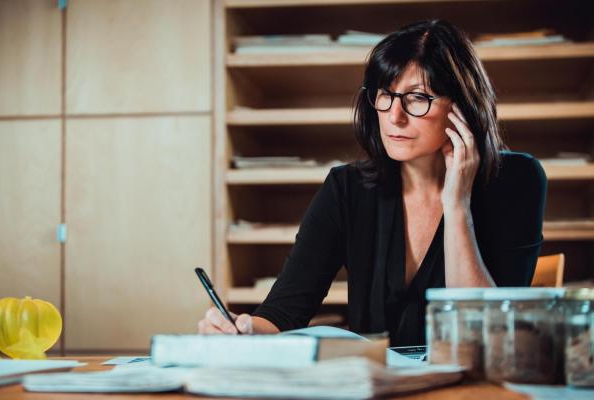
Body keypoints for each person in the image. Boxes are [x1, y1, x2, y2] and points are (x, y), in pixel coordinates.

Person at [198, 20, 547, 346]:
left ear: (462, 107)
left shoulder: (516, 180)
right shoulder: (346, 188)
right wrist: (240, 329)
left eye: (417, 98)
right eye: (386, 94)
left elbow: (487, 332)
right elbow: (284, 314)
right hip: (374, 387)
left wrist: (457, 205)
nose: (394, 116)